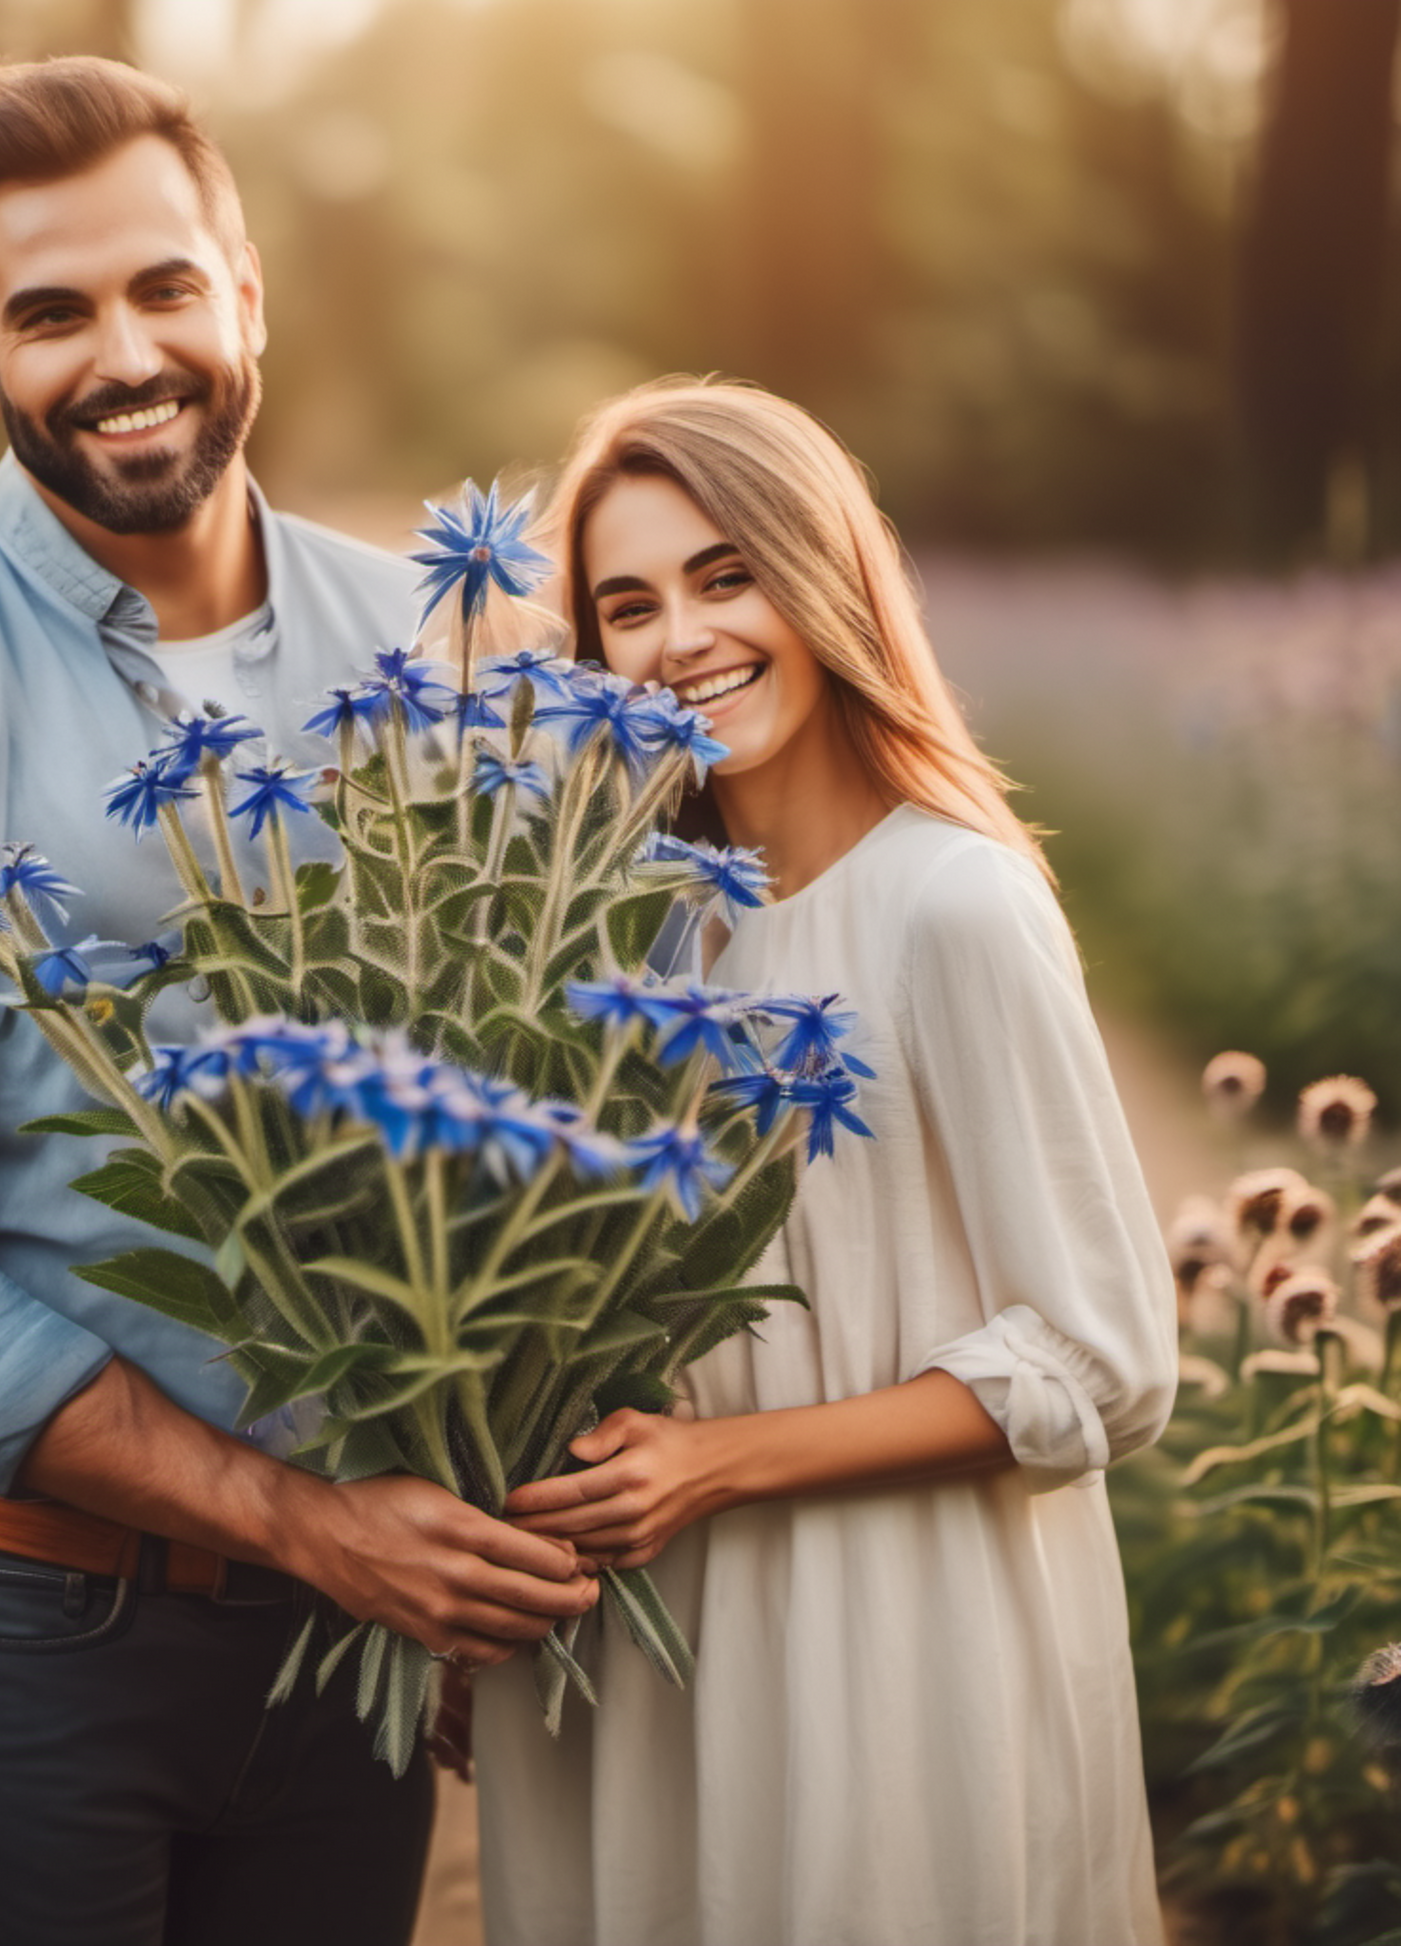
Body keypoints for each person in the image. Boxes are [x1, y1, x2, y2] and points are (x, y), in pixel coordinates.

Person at [0, 54, 596, 1946]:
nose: (122, 354)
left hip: (344, 1651)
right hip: (35, 1634)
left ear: (245, 295)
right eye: (49, 313)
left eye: (161, 288)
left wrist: (465, 1501)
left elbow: (535, 1099)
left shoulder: (452, 658)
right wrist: (304, 1519)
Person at [470, 378, 1178, 1946]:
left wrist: (713, 1464)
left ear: (828, 575)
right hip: (659, 1645)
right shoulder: (630, 938)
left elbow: (1103, 1361)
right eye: (629, 603)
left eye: (728, 575)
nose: (682, 639)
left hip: (893, 1638)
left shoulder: (952, 904)